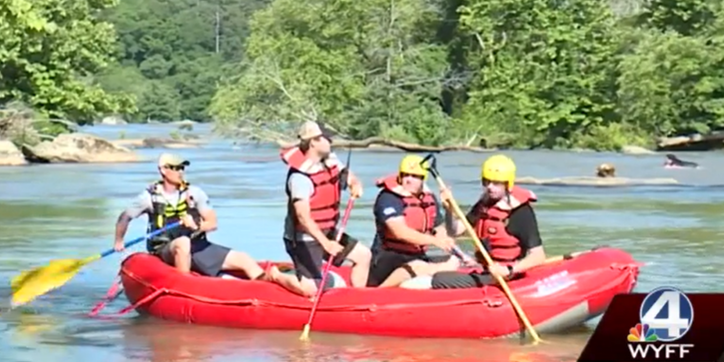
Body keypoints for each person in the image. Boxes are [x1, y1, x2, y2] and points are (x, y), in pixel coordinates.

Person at [113, 153, 289, 286]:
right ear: (163, 170)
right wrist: (119, 240)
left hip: (197, 245)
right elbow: (124, 217)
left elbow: (212, 223)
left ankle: (268, 283)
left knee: (243, 259)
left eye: (182, 167)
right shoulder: (147, 197)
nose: (180, 171)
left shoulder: (194, 193)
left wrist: (196, 225)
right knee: (182, 242)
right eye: (175, 168)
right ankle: (184, 286)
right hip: (165, 248)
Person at [278, 121, 371, 296]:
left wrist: (354, 183)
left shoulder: (328, 161)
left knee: (363, 255)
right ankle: (277, 275)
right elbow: (303, 218)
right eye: (326, 138)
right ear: (313, 142)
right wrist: (326, 244)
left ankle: (358, 299)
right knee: (310, 289)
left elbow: (346, 175)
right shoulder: (300, 178)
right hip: (303, 239)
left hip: (327, 231)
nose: (331, 141)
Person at [430, 154, 546, 289]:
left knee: (439, 278)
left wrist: (509, 270)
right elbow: (455, 231)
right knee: (438, 266)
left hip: (505, 274)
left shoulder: (520, 212)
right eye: (486, 182)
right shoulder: (484, 204)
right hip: (485, 269)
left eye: (496, 183)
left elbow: (538, 256)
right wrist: (449, 209)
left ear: (508, 184)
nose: (489, 187)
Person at [367, 155, 462, 287]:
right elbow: (400, 232)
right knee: (418, 266)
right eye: (406, 175)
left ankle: (425, 275)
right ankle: (381, 290)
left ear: (423, 179)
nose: (409, 180)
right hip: (388, 257)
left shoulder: (428, 198)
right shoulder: (388, 198)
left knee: (454, 261)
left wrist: (449, 210)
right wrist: (435, 241)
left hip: (416, 255)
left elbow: (439, 229)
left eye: (415, 176)